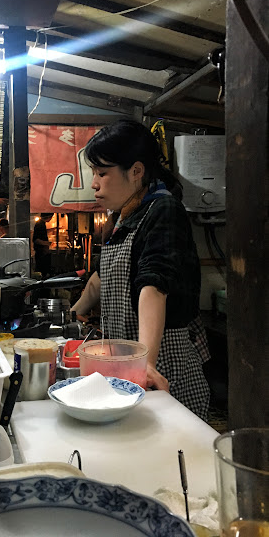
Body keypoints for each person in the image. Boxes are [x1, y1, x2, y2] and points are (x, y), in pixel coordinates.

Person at [71, 120, 210, 420]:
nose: (94, 183)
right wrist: (74, 314)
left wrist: (146, 363)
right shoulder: (122, 218)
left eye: (102, 173)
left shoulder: (163, 210)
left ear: (136, 171)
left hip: (162, 366)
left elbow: (153, 287)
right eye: (94, 173)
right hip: (125, 365)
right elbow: (101, 276)